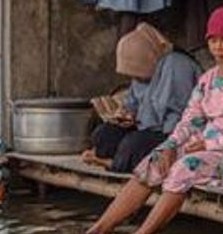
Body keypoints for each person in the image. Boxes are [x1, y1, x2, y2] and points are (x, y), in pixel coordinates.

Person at [80, 6, 223, 234]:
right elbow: (190, 119)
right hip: (203, 149)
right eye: (213, 40)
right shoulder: (208, 79)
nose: (218, 47)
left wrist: (209, 142)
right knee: (156, 160)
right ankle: (99, 229)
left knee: (184, 166)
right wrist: (171, 145)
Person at [82, 23, 201, 173]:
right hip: (146, 128)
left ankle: (114, 163)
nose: (135, 78)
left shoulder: (176, 66)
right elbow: (132, 103)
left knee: (133, 144)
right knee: (104, 134)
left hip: (173, 133)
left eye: (137, 73)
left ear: (148, 58)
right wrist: (127, 115)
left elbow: (179, 116)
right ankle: (117, 158)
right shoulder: (141, 75)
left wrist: (167, 141)